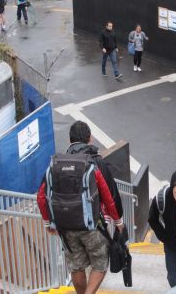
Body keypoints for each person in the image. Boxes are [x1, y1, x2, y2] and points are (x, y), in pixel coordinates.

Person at [36, 123, 124, 294]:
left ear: (70, 140)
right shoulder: (95, 162)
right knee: (100, 263)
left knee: (76, 266)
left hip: (65, 227)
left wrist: (48, 224)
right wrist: (118, 220)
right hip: (91, 225)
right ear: (89, 138)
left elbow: (41, 196)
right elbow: (108, 194)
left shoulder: (56, 165)